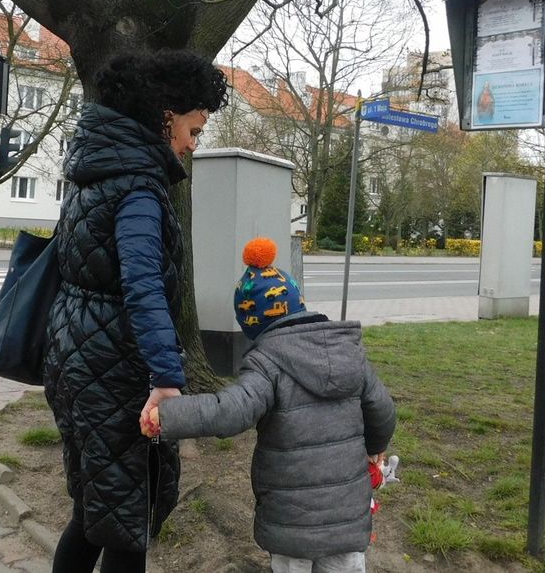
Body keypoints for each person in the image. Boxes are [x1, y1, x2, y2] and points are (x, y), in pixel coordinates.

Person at [43, 50, 228, 573]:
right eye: (193, 130)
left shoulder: (95, 171)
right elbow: (143, 286)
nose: (192, 145)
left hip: (76, 355)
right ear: (167, 116)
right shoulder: (140, 187)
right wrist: (166, 378)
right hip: (113, 367)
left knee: (95, 508)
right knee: (125, 524)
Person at [143, 238, 397, 573]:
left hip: (291, 520)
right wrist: (376, 446)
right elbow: (382, 410)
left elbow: (229, 411)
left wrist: (168, 414)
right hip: (347, 516)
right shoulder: (349, 352)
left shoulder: (266, 363)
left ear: (251, 325)